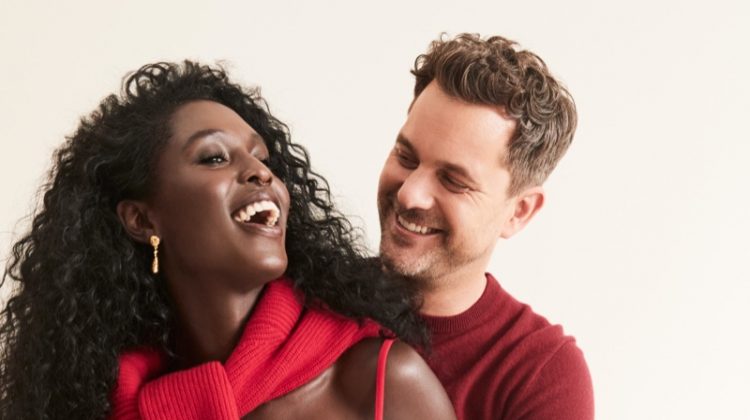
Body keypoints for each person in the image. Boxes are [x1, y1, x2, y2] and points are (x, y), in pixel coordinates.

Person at [0, 61, 456, 419]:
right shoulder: (96, 403)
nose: (262, 172)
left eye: (262, 157)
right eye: (214, 157)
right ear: (141, 219)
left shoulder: (383, 383)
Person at [376, 33, 595, 419]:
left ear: (519, 212)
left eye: (453, 181)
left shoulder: (539, 374)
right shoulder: (309, 300)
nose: (411, 195)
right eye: (406, 156)